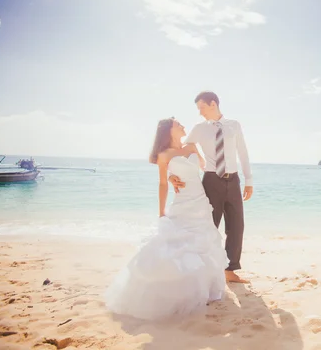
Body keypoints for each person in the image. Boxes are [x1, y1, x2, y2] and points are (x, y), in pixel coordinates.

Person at [104, 118, 228, 321]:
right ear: (168, 130)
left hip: (201, 202)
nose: (182, 126)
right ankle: (184, 292)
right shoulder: (164, 155)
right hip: (183, 203)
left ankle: (206, 289)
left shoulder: (191, 145)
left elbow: (205, 166)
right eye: (178, 124)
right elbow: (162, 184)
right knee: (182, 245)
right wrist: (162, 211)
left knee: (205, 242)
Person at [169, 91, 253, 284]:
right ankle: (205, 268)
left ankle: (230, 269)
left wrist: (249, 180)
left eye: (202, 108)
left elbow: (243, 153)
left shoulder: (234, 125)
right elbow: (180, 150)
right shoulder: (199, 128)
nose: (200, 113)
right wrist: (171, 174)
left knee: (237, 226)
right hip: (211, 180)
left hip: (233, 180)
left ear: (213, 104)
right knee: (209, 226)